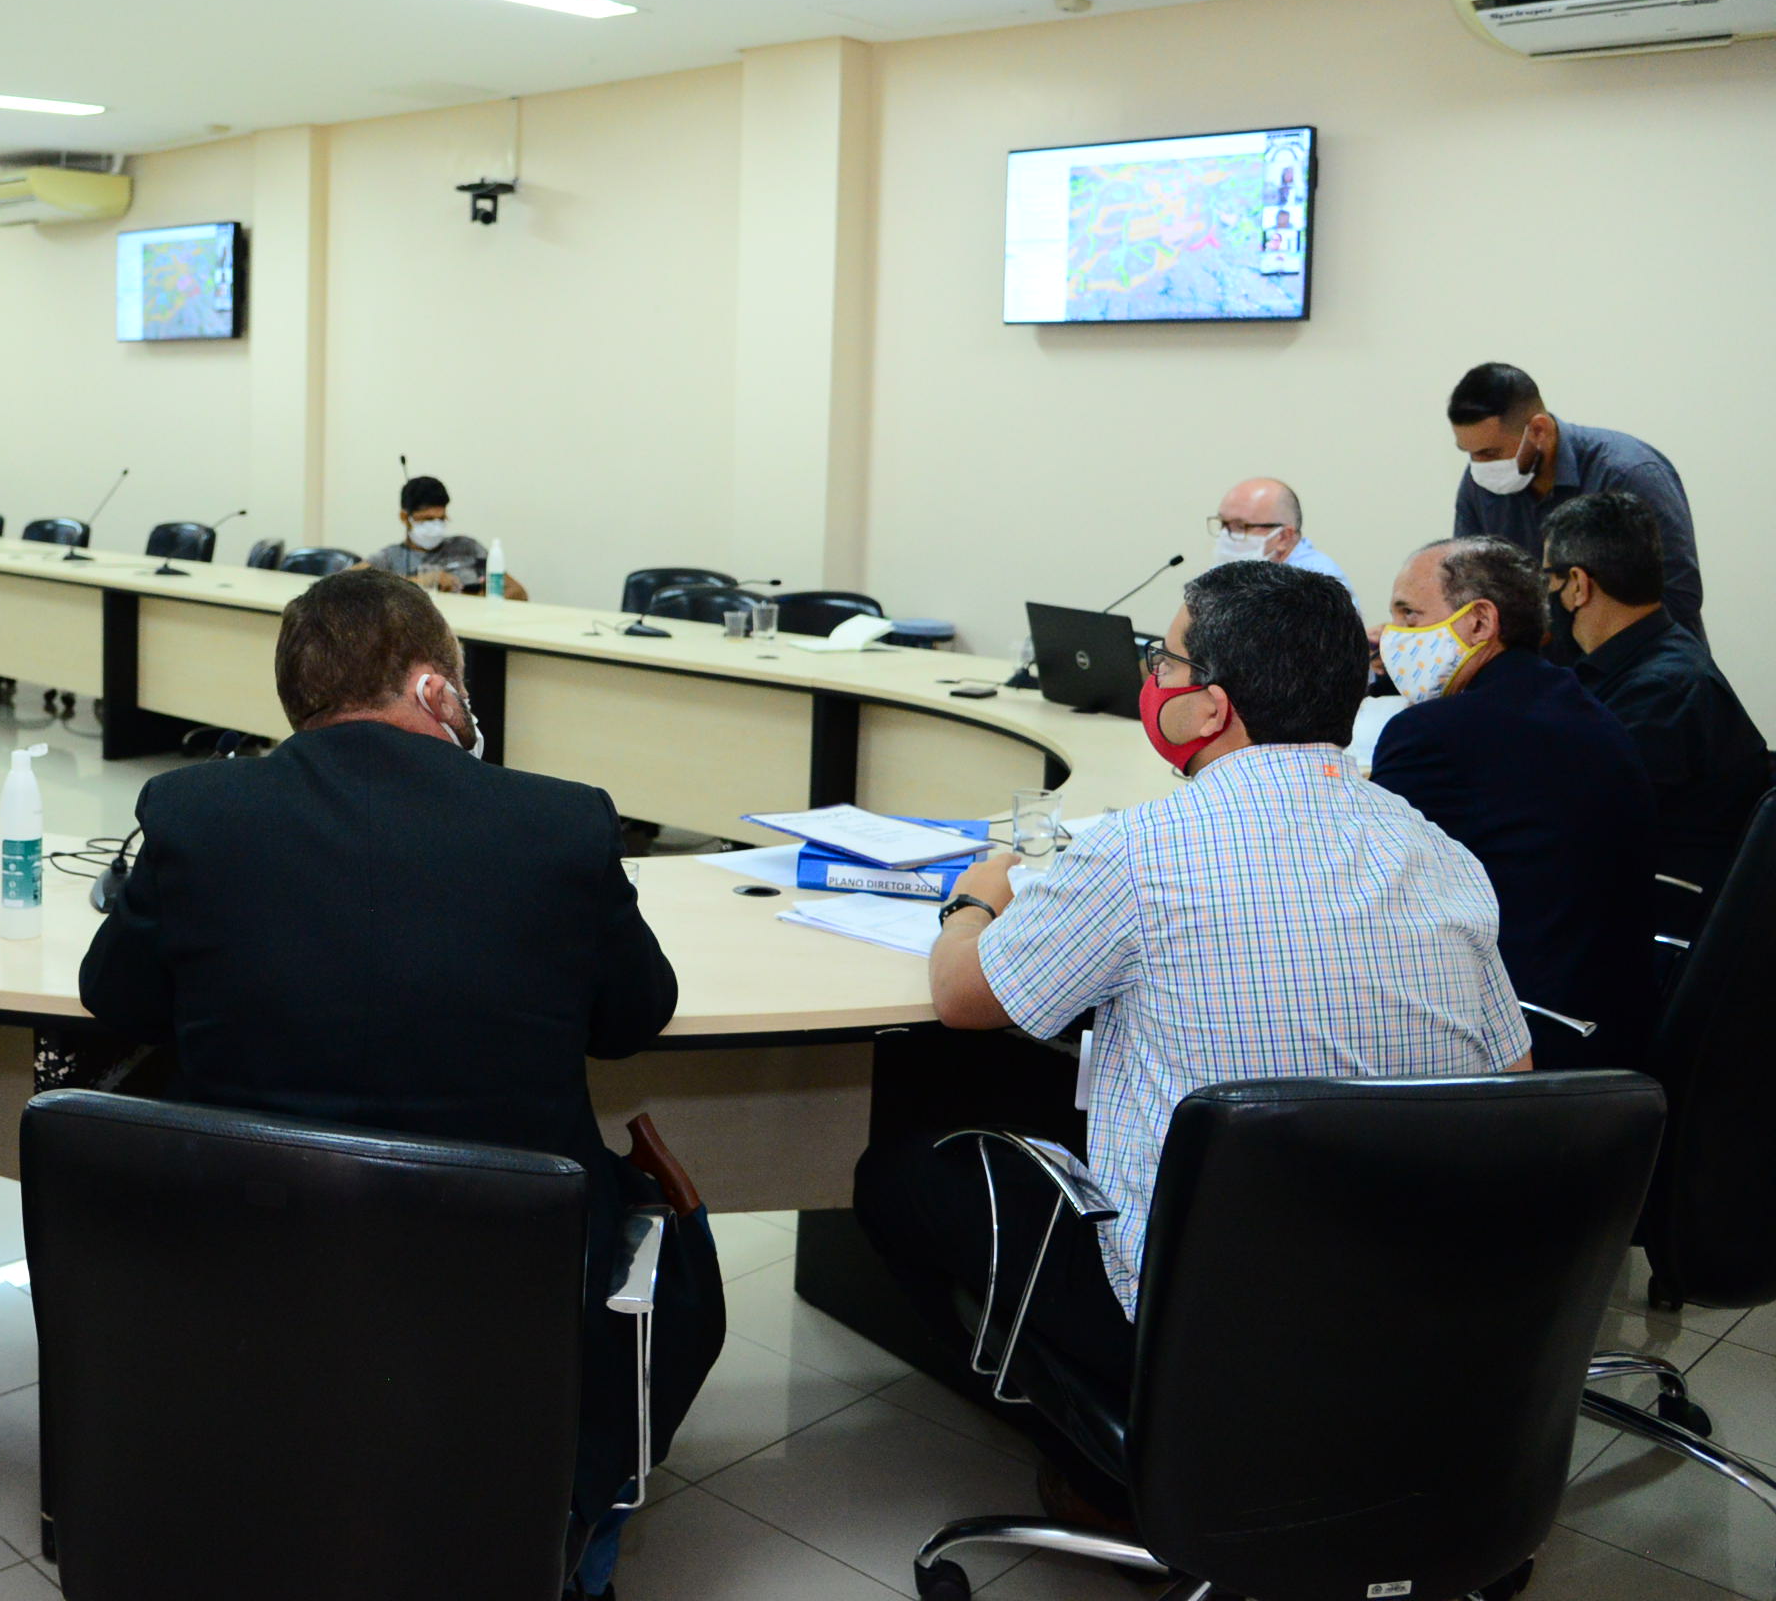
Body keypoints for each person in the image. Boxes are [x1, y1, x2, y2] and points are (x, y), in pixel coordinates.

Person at [79, 566, 713, 1594]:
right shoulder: (561, 824)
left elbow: (116, 997)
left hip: (252, 1255)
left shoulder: (195, 813)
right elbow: (633, 1018)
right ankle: (573, 1540)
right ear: (433, 688)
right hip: (506, 1278)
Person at [853, 559, 1526, 1519]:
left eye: (1164, 662)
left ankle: (1117, 1465)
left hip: (1205, 1318)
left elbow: (963, 998)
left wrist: (976, 898)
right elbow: (1516, 1078)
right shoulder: (1442, 852)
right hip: (1416, 1311)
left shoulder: (1139, 851)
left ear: (1209, 708)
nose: (1152, 679)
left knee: (898, 1178)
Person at [1371, 536, 1662, 1068]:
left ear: (1480, 622)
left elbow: (1369, 897)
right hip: (1615, 1023)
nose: (1392, 637)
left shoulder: (1435, 733)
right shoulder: (1581, 704)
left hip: (1525, 1034)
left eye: (1409, 615)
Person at [1542, 490, 1771, 948]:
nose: (1544, 594)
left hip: (1651, 923)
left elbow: (1580, 827)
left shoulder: (1660, 693)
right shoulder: (1650, 665)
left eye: (1549, 578)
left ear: (1578, 585)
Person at [1446, 362, 1701, 643]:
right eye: (1469, 453)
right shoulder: (1480, 483)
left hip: (1641, 661)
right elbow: (1470, 591)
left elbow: (1680, 595)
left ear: (1539, 430)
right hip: (1534, 665)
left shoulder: (1629, 474)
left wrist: (1564, 637)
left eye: (1490, 453)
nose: (1479, 465)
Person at [365, 474, 529, 599]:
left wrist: (476, 602)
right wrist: (419, 582)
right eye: (427, 519)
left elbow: (518, 592)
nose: (435, 526)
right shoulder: (388, 558)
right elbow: (351, 586)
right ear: (404, 518)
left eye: (441, 519)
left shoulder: (468, 547)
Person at [1207, 476, 1354, 595]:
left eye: (1240, 526)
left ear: (1283, 537)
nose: (1226, 535)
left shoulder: (1318, 585)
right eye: (1223, 524)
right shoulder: (1245, 573)